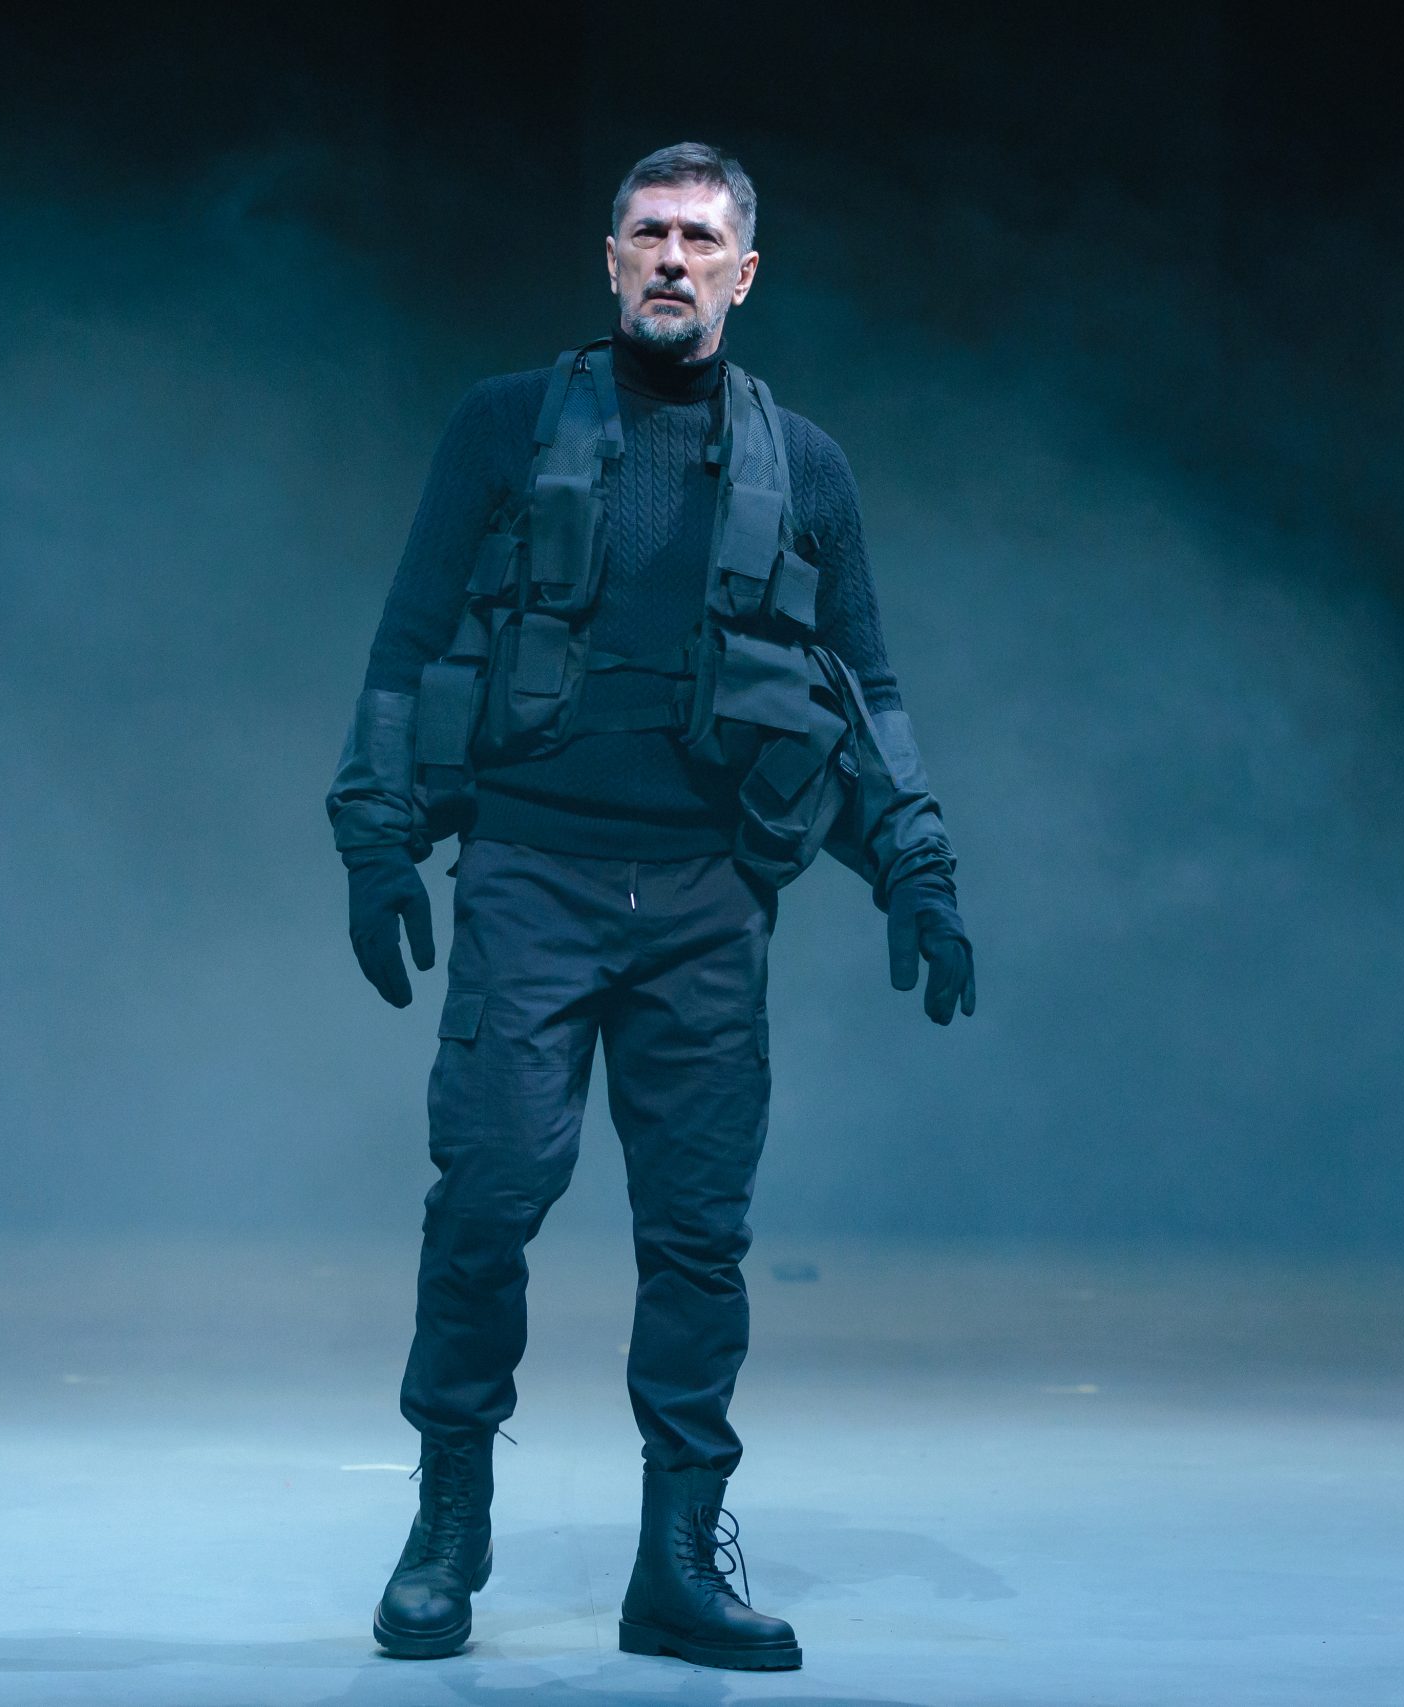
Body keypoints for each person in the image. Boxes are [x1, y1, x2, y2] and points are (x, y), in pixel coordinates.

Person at [325, 141, 975, 1673]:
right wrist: (375, 840)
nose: (672, 257)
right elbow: (409, 643)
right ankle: (448, 1529)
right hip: (532, 880)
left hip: (707, 901)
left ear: (744, 273)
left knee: (698, 1237)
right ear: (609, 258)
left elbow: (863, 688)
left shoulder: (804, 466)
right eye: (648, 232)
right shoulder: (504, 425)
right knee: (489, 1193)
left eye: (700, 237)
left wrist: (921, 873)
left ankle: (677, 1560)